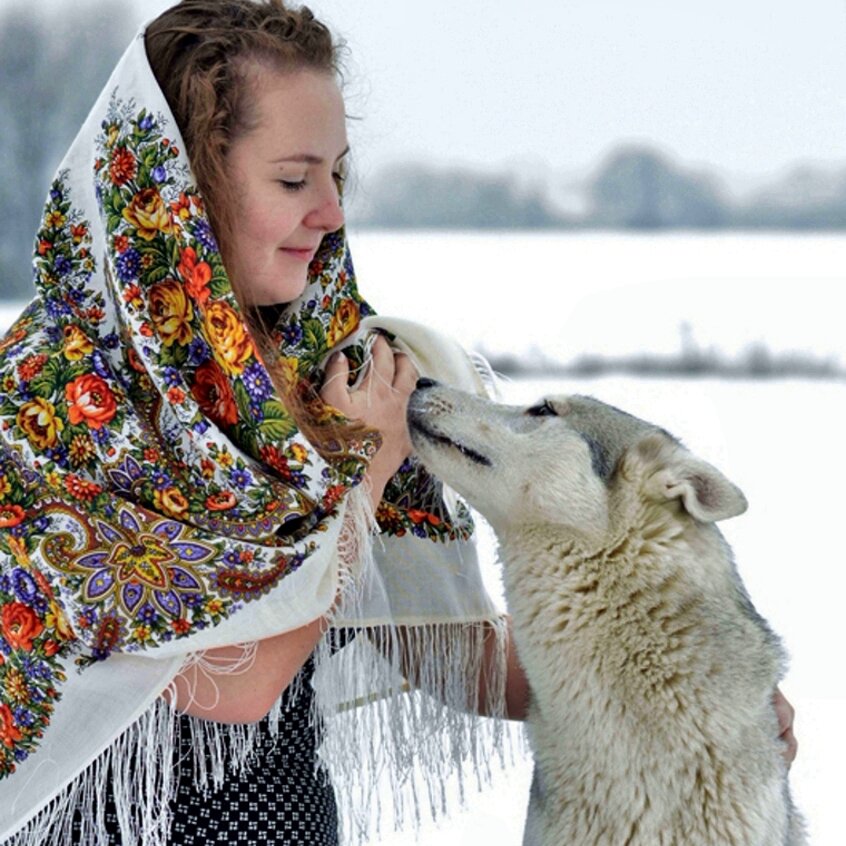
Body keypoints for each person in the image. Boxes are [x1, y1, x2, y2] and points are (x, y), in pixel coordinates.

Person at [0, 2, 796, 845]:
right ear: (180, 188)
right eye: (294, 179)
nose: (332, 213)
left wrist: (707, 701)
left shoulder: (334, 369)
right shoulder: (53, 408)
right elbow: (235, 685)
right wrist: (364, 464)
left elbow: (448, 656)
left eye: (339, 175)